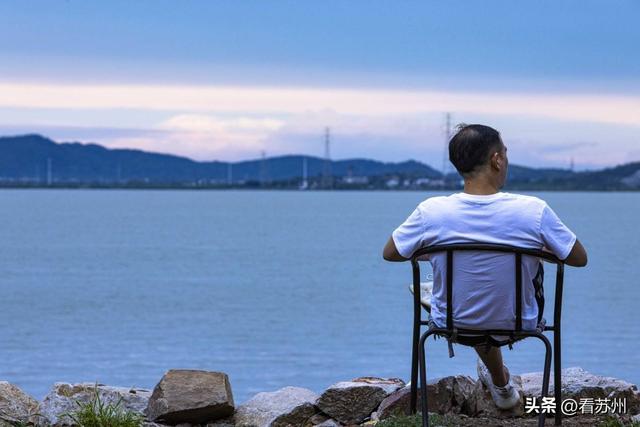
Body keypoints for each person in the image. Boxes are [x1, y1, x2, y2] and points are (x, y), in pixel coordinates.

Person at [382, 124, 588, 410]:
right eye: (505, 152)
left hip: (452, 321)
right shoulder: (534, 210)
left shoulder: (431, 210)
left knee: (461, 289)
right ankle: (503, 386)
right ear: (497, 159)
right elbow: (578, 257)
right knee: (503, 283)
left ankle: (499, 382)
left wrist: (434, 252)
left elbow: (391, 253)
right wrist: (537, 252)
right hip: (518, 321)